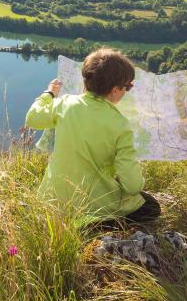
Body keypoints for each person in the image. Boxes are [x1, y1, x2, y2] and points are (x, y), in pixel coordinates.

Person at [25, 47, 160, 225]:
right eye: (128, 87)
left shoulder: (65, 103)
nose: (127, 91)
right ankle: (92, 223)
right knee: (151, 208)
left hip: (52, 201)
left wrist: (49, 94)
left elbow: (33, 119)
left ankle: (76, 222)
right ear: (115, 89)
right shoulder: (120, 125)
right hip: (96, 206)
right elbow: (133, 186)